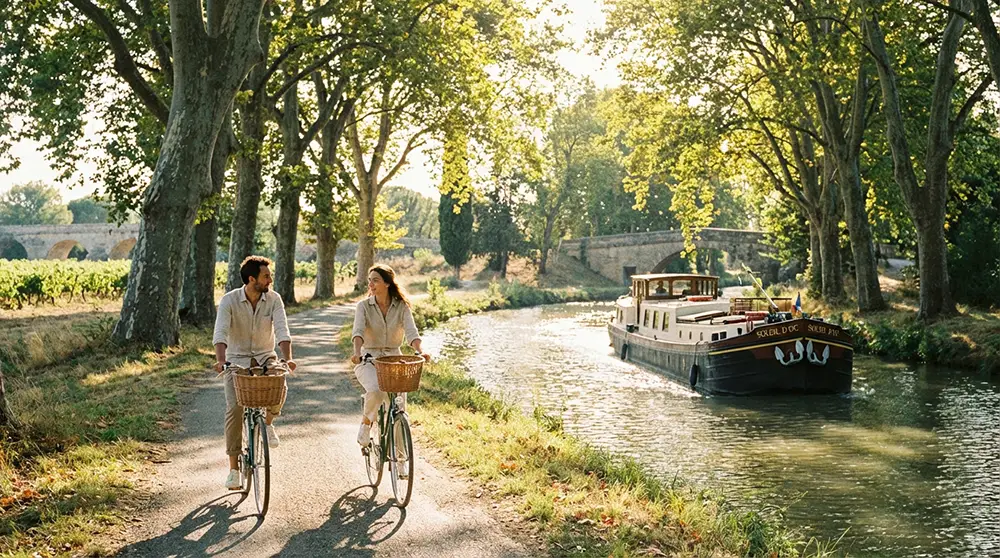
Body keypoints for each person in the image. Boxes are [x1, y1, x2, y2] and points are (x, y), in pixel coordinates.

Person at [213, 255, 297, 490]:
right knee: (235, 408)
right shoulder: (229, 301)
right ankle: (233, 470)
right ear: (252, 279)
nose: (270, 279)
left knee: (280, 387)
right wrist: (221, 361)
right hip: (236, 360)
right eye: (266, 276)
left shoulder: (274, 299)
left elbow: (282, 329)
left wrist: (288, 359)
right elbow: (220, 333)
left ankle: (268, 423)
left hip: (265, 356)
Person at [350, 264, 430, 449]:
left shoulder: (401, 306)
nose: (370, 284)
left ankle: (401, 459)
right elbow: (358, 332)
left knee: (399, 409)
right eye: (369, 280)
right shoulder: (363, 306)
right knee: (377, 390)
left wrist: (420, 351)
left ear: (387, 283)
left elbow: (412, 333)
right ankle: (366, 423)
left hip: (394, 360)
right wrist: (356, 353)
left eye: (375, 280)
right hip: (369, 358)